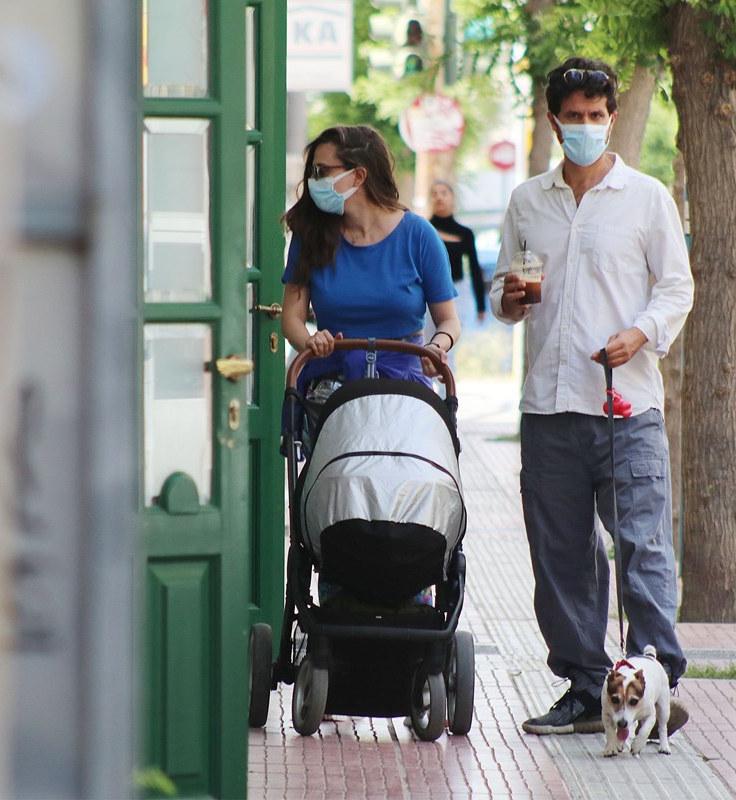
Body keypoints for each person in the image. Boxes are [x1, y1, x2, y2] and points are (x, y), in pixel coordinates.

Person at [489, 58, 694, 736]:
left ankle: (654, 684)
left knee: (642, 547)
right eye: (572, 116)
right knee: (561, 557)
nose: (584, 126)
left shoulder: (646, 198)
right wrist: (511, 300)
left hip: (625, 407)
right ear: (554, 122)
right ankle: (584, 688)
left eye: (595, 115)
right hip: (549, 408)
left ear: (611, 118)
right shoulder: (527, 201)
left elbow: (677, 286)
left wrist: (640, 334)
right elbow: (505, 298)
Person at [282, 125, 462, 393]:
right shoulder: (310, 234)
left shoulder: (419, 235)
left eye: (322, 172)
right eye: (313, 172)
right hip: (330, 387)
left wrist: (436, 347)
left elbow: (449, 321)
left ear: (358, 175)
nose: (313, 181)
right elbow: (291, 318)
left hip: (405, 388)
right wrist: (310, 341)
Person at [428, 180, 487, 324]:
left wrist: (481, 305)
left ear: (452, 198)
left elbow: (474, 268)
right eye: (434, 194)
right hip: (427, 293)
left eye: (443, 193)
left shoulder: (465, 233)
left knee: (452, 334)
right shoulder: (422, 229)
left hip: (457, 292)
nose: (439, 197)